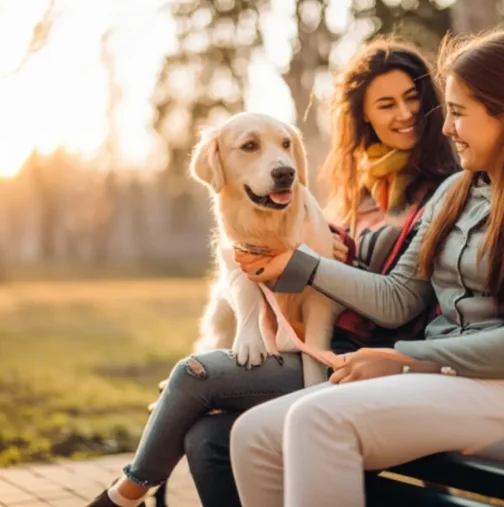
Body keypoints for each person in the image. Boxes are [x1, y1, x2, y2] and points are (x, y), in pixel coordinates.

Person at [228, 29, 504, 507]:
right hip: (437, 382)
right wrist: (301, 264)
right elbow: (398, 298)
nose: (446, 129)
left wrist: (404, 360)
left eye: (457, 113)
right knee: (254, 435)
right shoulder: (455, 192)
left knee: (317, 421)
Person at [85, 36, 457, 507]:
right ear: (364, 116)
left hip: (371, 356)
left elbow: (397, 295)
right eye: (386, 103)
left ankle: (123, 494)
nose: (404, 113)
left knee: (194, 377)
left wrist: (310, 264)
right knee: (205, 438)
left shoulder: (447, 191)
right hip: (324, 345)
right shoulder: (362, 187)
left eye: (414, 99)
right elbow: (329, 258)